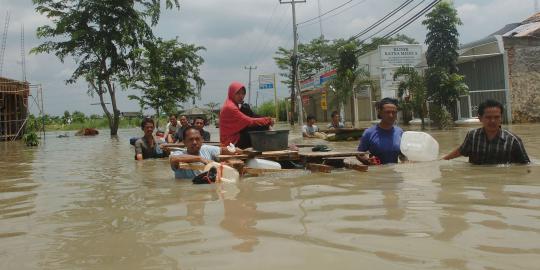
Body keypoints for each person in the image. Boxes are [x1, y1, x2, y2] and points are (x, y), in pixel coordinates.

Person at [443, 99, 530, 164]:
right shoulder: (472, 136)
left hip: (501, 179)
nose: (492, 121)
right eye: (488, 117)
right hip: (478, 182)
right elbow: (461, 151)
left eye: (496, 117)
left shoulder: (513, 141)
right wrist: (441, 161)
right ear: (480, 118)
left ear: (501, 118)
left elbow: (525, 166)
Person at [169, 127, 240, 179]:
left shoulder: (206, 149)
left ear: (202, 140)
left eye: (197, 139)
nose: (194, 142)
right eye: (191, 139)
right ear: (184, 142)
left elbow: (222, 150)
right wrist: (200, 159)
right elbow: (173, 159)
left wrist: (234, 150)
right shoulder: (178, 154)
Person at [219, 81, 273, 148]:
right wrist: (268, 121)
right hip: (232, 142)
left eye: (243, 93)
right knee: (262, 127)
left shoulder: (231, 104)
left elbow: (249, 118)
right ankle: (268, 146)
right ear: (232, 93)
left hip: (232, 138)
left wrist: (266, 120)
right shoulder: (231, 107)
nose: (241, 96)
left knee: (246, 109)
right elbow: (250, 121)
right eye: (238, 93)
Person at [357, 98, 406, 165]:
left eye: (394, 112)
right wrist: (368, 161)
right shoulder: (369, 133)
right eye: (387, 112)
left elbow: (402, 155)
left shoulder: (400, 132)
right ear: (380, 113)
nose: (391, 115)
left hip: (395, 173)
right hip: (377, 173)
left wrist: (408, 163)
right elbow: (359, 153)